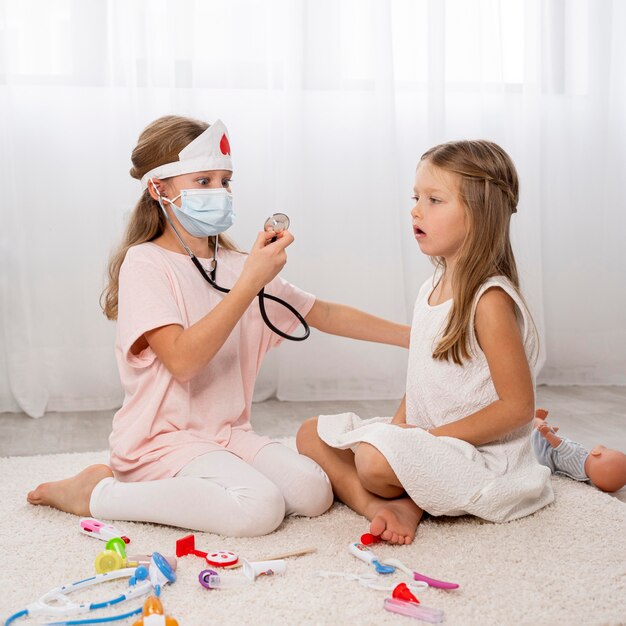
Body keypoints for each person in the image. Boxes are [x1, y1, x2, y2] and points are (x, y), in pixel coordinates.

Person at [27, 115, 410, 537]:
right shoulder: (146, 263)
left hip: (227, 433)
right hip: (161, 441)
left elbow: (323, 314)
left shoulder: (237, 266)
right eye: (204, 181)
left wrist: (418, 336)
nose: (221, 192)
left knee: (313, 493)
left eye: (225, 181)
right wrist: (249, 284)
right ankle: (97, 492)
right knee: (258, 510)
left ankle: (197, 480)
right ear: (160, 189)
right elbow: (183, 361)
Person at [297, 140, 555, 545]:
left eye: (435, 200)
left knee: (372, 461)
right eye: (416, 198)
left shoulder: (489, 300)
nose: (416, 210)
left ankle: (401, 496)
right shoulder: (431, 287)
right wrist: (399, 431)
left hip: (477, 455)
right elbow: (420, 379)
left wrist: (420, 443)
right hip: (428, 442)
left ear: (481, 213)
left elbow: (518, 408)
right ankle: (385, 505)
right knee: (311, 434)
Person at [532, 408, 626, 492]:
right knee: (550, 434)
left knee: (540, 429)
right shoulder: (582, 475)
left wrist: (548, 434)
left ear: (596, 453)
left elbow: (559, 445)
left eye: (607, 450)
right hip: (553, 460)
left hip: (547, 451)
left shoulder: (574, 454)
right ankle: (547, 430)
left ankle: (535, 419)